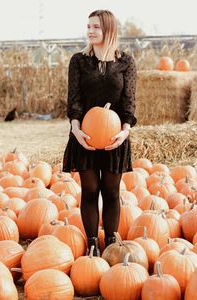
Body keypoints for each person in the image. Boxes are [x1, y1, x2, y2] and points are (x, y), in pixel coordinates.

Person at [62, 9, 137, 256]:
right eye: (89, 26)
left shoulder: (126, 62)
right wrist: (76, 130)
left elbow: (129, 103)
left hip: (116, 137)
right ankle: (93, 244)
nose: (90, 31)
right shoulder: (79, 61)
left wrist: (125, 131)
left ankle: (112, 245)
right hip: (86, 136)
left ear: (109, 30)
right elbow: (74, 101)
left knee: (112, 191)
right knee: (91, 189)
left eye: (96, 27)